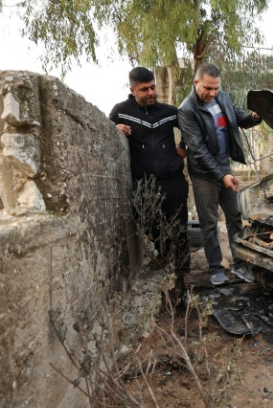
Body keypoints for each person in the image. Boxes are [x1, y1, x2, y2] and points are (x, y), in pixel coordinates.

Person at [177, 63, 261, 285]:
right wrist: (221, 175)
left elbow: (238, 118)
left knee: (235, 216)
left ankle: (241, 263)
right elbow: (197, 149)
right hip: (204, 174)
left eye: (216, 88)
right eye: (207, 88)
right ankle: (216, 268)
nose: (212, 93)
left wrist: (254, 116)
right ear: (196, 83)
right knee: (209, 222)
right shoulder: (187, 110)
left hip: (225, 168)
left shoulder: (222, 97)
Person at [109, 67, 189, 271]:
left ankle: (184, 270)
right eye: (145, 89)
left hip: (172, 179)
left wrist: (182, 149)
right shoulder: (121, 111)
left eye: (152, 88)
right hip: (143, 181)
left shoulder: (169, 112)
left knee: (179, 223)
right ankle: (163, 253)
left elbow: (191, 131)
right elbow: (105, 131)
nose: (151, 93)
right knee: (145, 217)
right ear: (133, 90)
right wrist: (115, 130)